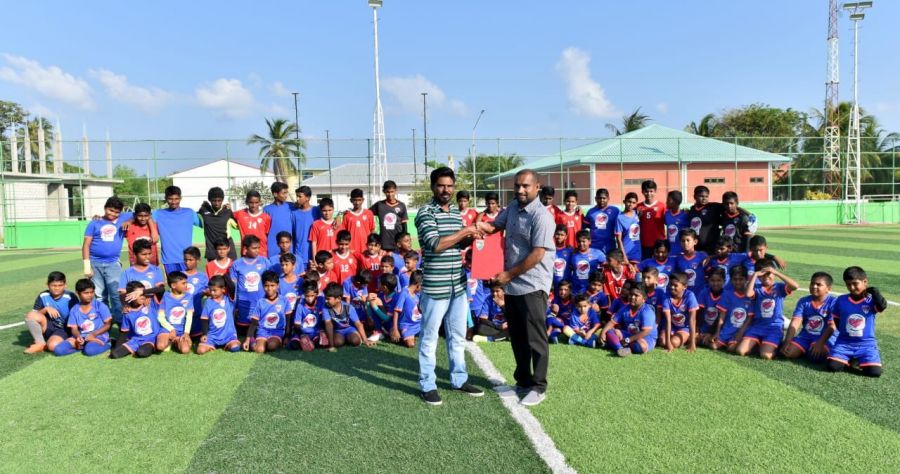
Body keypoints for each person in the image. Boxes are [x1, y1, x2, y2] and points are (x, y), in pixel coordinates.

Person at [476, 169, 555, 407]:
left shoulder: (541, 216)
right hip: (512, 285)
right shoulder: (512, 207)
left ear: (537, 187)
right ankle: (522, 381)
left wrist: (507, 275)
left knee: (535, 338)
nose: (520, 190)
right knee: (518, 336)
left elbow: (538, 253)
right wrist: (476, 227)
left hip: (532, 284)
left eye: (526, 186)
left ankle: (539, 387)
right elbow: (494, 227)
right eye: (517, 186)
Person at [416, 166, 485, 406]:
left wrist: (471, 237)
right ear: (433, 186)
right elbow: (435, 244)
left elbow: (455, 244)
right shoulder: (425, 212)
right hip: (436, 286)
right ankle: (427, 384)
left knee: (457, 336)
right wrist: (465, 230)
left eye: (449, 186)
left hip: (458, 284)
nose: (446, 190)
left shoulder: (456, 211)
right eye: (441, 185)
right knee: (429, 337)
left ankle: (459, 379)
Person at [826, 266, 888, 377]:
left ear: (865, 282)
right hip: (844, 342)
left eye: (855, 283)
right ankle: (850, 359)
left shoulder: (871, 300)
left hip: (866, 344)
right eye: (848, 284)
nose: (852, 287)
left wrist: (875, 292)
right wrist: (844, 334)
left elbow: (882, 306)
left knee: (875, 373)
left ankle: (859, 359)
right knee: (832, 367)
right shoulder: (841, 300)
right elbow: (836, 319)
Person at [736, 258, 798, 360]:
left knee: (765, 355)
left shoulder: (779, 288)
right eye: (762, 275)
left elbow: (795, 286)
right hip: (757, 326)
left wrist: (776, 272)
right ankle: (760, 343)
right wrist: (755, 275)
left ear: (773, 274)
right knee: (740, 351)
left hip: (774, 327)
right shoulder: (756, 287)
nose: (766, 277)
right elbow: (748, 294)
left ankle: (775, 345)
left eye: (768, 274)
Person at [82, 196, 129, 323]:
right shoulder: (94, 223)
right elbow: (86, 244)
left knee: (116, 295)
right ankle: (103, 323)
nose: (113, 214)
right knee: (99, 296)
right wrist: (87, 266)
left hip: (113, 264)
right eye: (110, 210)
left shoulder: (123, 218)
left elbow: (141, 213)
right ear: (105, 208)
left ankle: (120, 324)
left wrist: (129, 221)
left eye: (116, 212)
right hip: (95, 264)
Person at [782, 272, 836, 362]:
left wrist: (820, 344)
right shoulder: (803, 301)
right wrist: (787, 342)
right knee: (787, 353)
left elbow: (832, 326)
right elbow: (795, 322)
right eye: (812, 283)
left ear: (828, 289)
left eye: (819, 284)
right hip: (805, 336)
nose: (814, 286)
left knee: (815, 357)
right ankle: (804, 348)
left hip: (825, 338)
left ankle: (810, 350)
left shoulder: (834, 302)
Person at [53, 278, 112, 357]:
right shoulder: (74, 309)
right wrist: (78, 337)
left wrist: (93, 335)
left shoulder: (100, 306)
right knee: (58, 350)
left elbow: (107, 325)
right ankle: (82, 347)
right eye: (86, 293)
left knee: (90, 351)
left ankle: (109, 344)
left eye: (92, 292)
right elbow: (74, 329)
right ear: (78, 293)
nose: (90, 295)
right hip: (82, 336)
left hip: (99, 335)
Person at [599, 283, 658, 357]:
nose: (632, 297)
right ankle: (620, 349)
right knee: (610, 332)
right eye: (631, 294)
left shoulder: (647, 311)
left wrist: (628, 340)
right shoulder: (624, 309)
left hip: (646, 338)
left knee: (641, 346)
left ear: (644, 299)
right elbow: (612, 322)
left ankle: (615, 344)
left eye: (636, 295)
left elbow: (646, 331)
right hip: (629, 334)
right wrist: (602, 333)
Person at [152, 186, 201, 273]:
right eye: (170, 199)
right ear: (165, 198)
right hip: (169, 259)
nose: (174, 202)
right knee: (174, 286)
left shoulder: (190, 213)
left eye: (176, 199)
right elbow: (141, 216)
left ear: (181, 198)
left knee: (188, 285)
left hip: (187, 259)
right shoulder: (158, 214)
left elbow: (204, 223)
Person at [229, 235, 272, 332]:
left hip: (260, 303)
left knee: (261, 329)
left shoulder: (264, 261)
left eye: (258, 248)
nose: (257, 250)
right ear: (245, 248)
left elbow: (271, 281)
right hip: (243, 304)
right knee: (243, 330)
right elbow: (234, 287)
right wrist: (234, 306)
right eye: (254, 248)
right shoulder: (237, 264)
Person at [109, 280, 160, 359]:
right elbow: (124, 332)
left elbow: (161, 290)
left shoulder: (150, 303)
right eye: (138, 294)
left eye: (143, 293)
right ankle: (114, 342)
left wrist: (143, 291)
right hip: (135, 340)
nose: (142, 296)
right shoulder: (127, 312)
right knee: (115, 354)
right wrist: (118, 348)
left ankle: (151, 347)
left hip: (151, 339)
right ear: (130, 295)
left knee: (141, 352)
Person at [197, 275, 242, 354]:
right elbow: (204, 319)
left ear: (223, 290)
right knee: (200, 350)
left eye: (215, 290)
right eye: (210, 290)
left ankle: (228, 344)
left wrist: (225, 276)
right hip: (213, 336)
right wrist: (204, 334)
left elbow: (232, 287)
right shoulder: (208, 302)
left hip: (229, 335)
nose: (212, 293)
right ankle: (212, 345)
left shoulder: (229, 299)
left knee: (235, 347)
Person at [244, 271, 287, 353]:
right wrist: (248, 339)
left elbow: (288, 320)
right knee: (259, 350)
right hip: (262, 332)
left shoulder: (284, 300)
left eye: (272, 285)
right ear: (263, 286)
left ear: (278, 285)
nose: (269, 289)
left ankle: (274, 342)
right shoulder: (260, 302)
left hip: (277, 332)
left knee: (272, 346)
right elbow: (254, 323)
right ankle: (253, 341)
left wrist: (287, 337)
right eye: (266, 286)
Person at [322, 282, 373, 350]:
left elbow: (358, 323)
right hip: (338, 331)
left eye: (328, 299)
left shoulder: (348, 307)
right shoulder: (325, 308)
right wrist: (331, 345)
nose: (326, 301)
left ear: (338, 299)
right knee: (337, 342)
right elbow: (329, 325)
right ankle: (344, 339)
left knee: (355, 341)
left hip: (350, 329)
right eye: (325, 298)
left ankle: (355, 336)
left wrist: (365, 340)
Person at [712, 265, 751, 353]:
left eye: (741, 279)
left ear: (746, 279)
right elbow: (722, 315)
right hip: (728, 329)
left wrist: (740, 333)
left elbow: (749, 318)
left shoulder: (750, 296)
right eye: (735, 279)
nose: (737, 282)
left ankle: (753, 346)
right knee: (714, 346)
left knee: (731, 349)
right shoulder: (727, 294)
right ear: (731, 280)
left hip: (742, 330)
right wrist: (717, 332)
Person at [155, 271, 194, 354]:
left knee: (185, 350)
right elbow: (160, 317)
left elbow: (189, 317)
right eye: (183, 283)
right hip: (167, 329)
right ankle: (172, 340)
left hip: (182, 330)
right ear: (173, 285)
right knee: (160, 346)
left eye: (186, 283)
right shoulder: (166, 296)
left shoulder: (189, 296)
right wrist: (171, 329)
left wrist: (186, 333)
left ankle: (175, 340)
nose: (186, 285)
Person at [660, 272, 699, 352]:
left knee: (674, 342)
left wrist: (692, 343)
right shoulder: (666, 296)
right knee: (663, 342)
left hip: (684, 328)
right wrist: (668, 344)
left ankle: (691, 337)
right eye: (670, 284)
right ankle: (679, 338)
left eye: (675, 285)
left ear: (684, 287)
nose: (672, 287)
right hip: (672, 326)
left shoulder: (690, 296)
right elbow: (668, 321)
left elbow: (692, 320)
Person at [198, 187, 237, 261]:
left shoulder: (227, 211)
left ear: (222, 200)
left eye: (219, 200)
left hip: (228, 250)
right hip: (212, 251)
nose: (216, 203)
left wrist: (232, 211)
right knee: (213, 273)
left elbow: (238, 224)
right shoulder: (203, 210)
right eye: (214, 201)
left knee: (230, 272)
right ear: (209, 200)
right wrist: (204, 206)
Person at [370, 180, 409, 252]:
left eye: (392, 192)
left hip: (397, 245)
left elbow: (404, 226)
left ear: (396, 191)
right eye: (388, 192)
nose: (390, 194)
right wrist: (352, 210)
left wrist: (404, 241)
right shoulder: (379, 205)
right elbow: (366, 213)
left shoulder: (401, 205)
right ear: (384, 191)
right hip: (383, 245)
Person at [367, 273, 405, 342]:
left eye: (379, 283)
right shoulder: (380, 295)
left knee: (396, 340)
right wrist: (368, 302)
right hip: (384, 321)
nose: (377, 284)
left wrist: (374, 306)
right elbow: (370, 312)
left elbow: (386, 318)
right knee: (374, 302)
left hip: (393, 323)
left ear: (384, 287)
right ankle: (379, 331)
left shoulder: (396, 297)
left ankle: (384, 331)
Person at [289, 280, 327, 351]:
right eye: (307, 296)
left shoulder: (320, 302)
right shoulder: (300, 305)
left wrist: (322, 330)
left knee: (320, 344)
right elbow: (297, 324)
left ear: (316, 294)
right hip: (302, 332)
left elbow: (323, 318)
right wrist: (302, 335)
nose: (309, 298)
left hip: (315, 332)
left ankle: (312, 342)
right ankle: (305, 342)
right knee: (294, 346)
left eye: (312, 296)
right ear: (304, 294)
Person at [290, 185, 320, 273]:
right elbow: (292, 234)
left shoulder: (317, 210)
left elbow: (328, 217)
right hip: (300, 254)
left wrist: (337, 218)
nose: (297, 199)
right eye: (297, 196)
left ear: (307, 198)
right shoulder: (294, 213)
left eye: (300, 196)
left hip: (315, 253)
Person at [686, 185, 723, 254]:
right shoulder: (692, 210)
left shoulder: (714, 207)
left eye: (706, 196)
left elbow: (733, 208)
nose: (704, 198)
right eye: (701, 196)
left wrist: (748, 214)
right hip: (696, 248)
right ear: (695, 197)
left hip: (711, 248)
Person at [234, 191, 272, 257]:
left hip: (261, 252)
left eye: (256, 202)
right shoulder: (240, 214)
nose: (254, 205)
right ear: (246, 202)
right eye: (251, 202)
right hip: (246, 252)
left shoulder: (266, 217)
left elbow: (266, 234)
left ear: (260, 202)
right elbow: (228, 215)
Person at [183, 247, 210, 338]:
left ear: (198, 260)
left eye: (190, 260)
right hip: (182, 314)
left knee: (198, 338)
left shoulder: (202, 276)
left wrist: (205, 293)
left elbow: (209, 291)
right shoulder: (180, 275)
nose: (187, 262)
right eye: (185, 260)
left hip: (197, 313)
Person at [340, 188, 376, 255]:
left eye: (359, 200)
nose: (357, 203)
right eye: (355, 200)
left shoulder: (369, 213)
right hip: (351, 250)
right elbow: (344, 234)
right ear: (351, 200)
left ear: (363, 200)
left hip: (366, 249)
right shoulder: (347, 215)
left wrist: (373, 246)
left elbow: (372, 230)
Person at [636, 180, 666, 260]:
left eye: (651, 191)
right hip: (643, 244)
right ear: (642, 192)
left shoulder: (662, 206)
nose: (649, 194)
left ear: (655, 192)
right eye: (646, 191)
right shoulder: (638, 207)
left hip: (659, 244)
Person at [569, 229, 605, 295]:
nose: (581, 244)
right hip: (576, 290)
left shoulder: (598, 253)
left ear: (589, 241)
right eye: (579, 241)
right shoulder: (572, 254)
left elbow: (607, 266)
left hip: (592, 290)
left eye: (583, 241)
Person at [393, 270, 423, 347]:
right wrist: (395, 329)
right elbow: (396, 311)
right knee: (410, 344)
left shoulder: (418, 294)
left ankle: (413, 336)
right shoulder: (404, 293)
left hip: (419, 324)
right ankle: (405, 335)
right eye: (422, 286)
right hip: (407, 325)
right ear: (418, 285)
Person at [697, 267, 726, 348]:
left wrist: (711, 333)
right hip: (704, 328)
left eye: (719, 280)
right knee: (693, 338)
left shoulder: (726, 295)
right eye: (712, 280)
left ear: (724, 281)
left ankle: (707, 339)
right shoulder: (704, 292)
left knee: (713, 346)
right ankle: (703, 338)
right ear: (708, 280)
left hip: (718, 329)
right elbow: (699, 313)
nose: (715, 283)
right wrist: (698, 329)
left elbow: (721, 317)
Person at [584, 188, 619, 253]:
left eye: (604, 198)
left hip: (610, 246)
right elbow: (584, 227)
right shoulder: (591, 212)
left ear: (608, 198)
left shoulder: (615, 211)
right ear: (595, 199)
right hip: (594, 247)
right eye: (599, 198)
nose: (601, 200)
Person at [124, 202, 159, 267]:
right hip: (135, 265)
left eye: (146, 216)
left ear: (150, 215)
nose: (143, 219)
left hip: (152, 264)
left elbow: (156, 239)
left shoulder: (155, 226)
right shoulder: (129, 227)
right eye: (140, 216)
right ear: (135, 215)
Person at [674, 229, 708, 296]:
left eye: (688, 240)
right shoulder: (678, 258)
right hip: (685, 296)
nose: (685, 243)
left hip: (701, 294)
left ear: (695, 241)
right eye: (683, 241)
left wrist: (711, 257)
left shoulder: (703, 256)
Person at [264, 182, 294, 259]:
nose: (286, 196)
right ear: (275, 194)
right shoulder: (267, 209)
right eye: (283, 193)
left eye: (286, 193)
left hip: (288, 247)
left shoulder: (291, 207)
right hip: (272, 247)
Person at [615, 192, 641, 265]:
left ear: (636, 204)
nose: (631, 204)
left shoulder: (637, 214)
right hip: (626, 253)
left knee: (637, 276)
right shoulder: (619, 218)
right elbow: (618, 239)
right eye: (629, 202)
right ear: (624, 202)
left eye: (633, 202)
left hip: (637, 253)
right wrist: (624, 256)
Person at [663, 191, 689, 256]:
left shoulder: (686, 215)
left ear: (676, 202)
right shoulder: (666, 214)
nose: (666, 202)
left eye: (668, 200)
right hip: (670, 251)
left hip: (682, 251)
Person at [552, 225, 573, 290]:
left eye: (562, 235)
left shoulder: (570, 251)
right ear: (554, 235)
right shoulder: (550, 250)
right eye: (557, 234)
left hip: (565, 286)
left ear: (566, 237)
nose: (559, 237)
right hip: (551, 286)